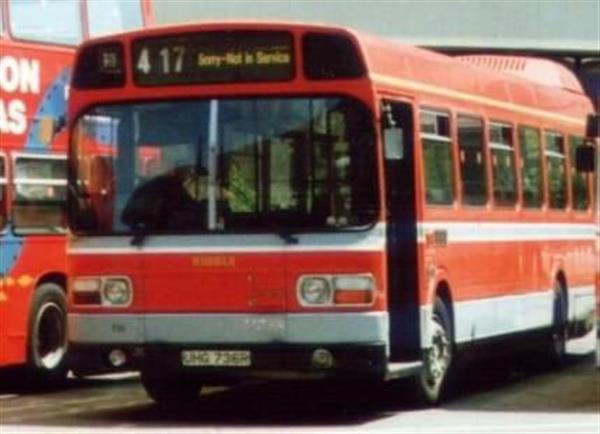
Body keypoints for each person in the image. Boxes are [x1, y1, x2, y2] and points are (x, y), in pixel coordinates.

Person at [121, 165, 207, 232]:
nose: (188, 177)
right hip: (166, 233)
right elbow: (185, 207)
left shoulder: (146, 186)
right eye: (187, 173)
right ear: (176, 173)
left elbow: (126, 218)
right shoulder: (171, 186)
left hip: (143, 233)